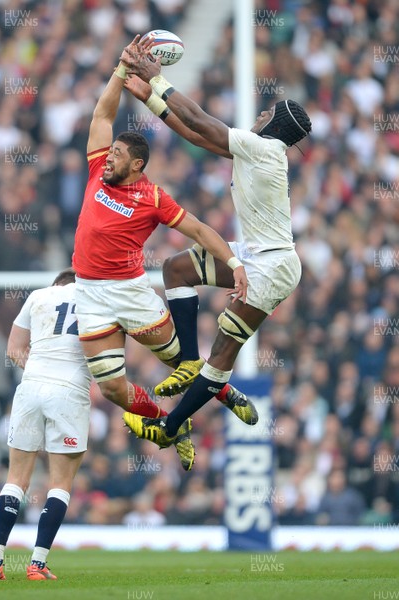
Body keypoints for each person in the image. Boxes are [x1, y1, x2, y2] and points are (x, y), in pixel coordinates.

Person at [121, 37, 312, 467]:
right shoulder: (258, 148)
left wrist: (158, 79)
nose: (260, 114)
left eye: (267, 113)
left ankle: (169, 429)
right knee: (175, 269)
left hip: (275, 263)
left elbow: (201, 120)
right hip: (259, 253)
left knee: (222, 354)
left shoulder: (264, 147)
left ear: (276, 125)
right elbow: (196, 135)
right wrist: (150, 100)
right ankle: (188, 362)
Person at [71, 36, 253, 471]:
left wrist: (233, 262)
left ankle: (224, 391)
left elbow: (198, 228)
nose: (108, 157)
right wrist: (120, 69)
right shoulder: (98, 169)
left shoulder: (151, 196)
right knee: (114, 391)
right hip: (89, 294)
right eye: (110, 151)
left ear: (137, 165)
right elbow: (102, 114)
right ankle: (173, 425)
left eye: (117, 154)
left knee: (182, 361)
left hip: (130, 291)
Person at [0, 269, 90, 581]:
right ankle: (37, 564)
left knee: (15, 479)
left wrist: (41, 368)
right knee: (60, 483)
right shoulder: (95, 298)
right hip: (70, 391)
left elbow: (14, 349)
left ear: (57, 282)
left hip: (30, 388)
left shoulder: (38, 296)